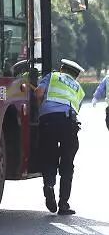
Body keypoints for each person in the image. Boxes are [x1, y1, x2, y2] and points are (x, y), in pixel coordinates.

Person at [35, 59, 85, 215]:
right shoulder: (79, 89)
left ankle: (49, 185)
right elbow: (76, 109)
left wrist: (40, 111)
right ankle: (64, 204)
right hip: (69, 123)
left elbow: (39, 93)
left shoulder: (53, 77)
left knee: (49, 155)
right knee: (67, 162)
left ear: (62, 68)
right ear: (76, 76)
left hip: (49, 121)